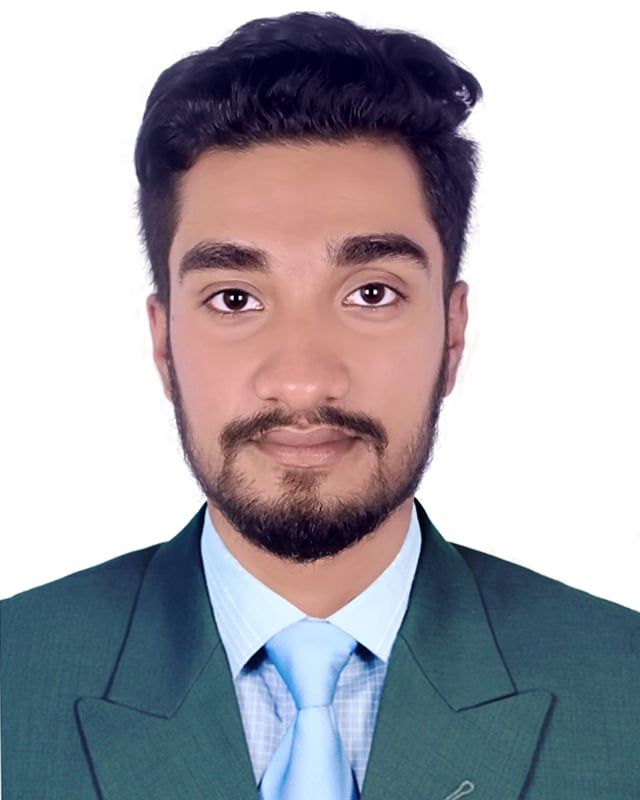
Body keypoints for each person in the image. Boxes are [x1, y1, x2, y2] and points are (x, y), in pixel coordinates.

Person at [1, 10, 638, 799]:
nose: (302, 382)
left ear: (452, 333)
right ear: (164, 344)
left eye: (371, 293)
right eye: (235, 298)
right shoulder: (13, 677)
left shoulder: (624, 688)